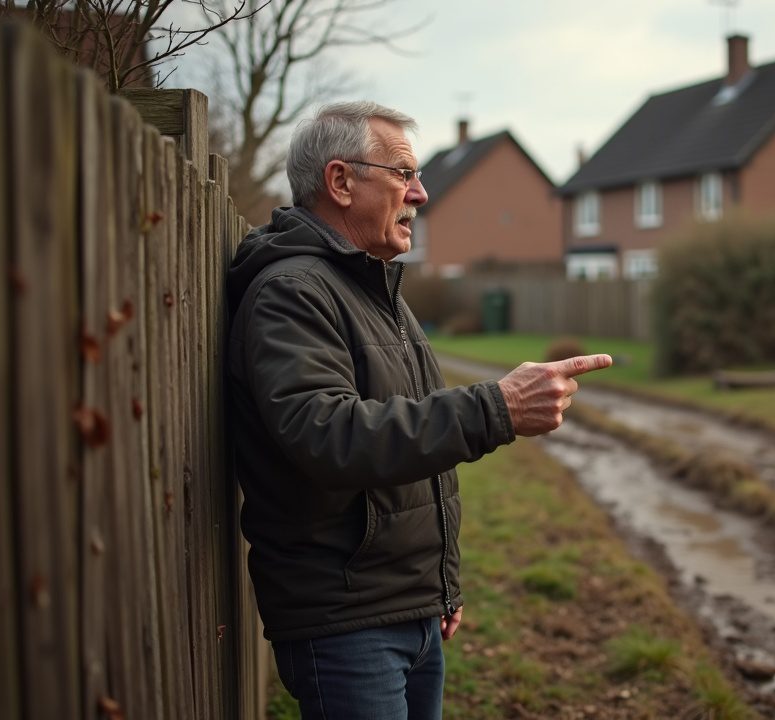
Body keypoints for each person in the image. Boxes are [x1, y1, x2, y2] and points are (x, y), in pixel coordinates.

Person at [225, 101, 611, 720]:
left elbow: (419, 457)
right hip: (345, 623)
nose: (421, 193)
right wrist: (499, 407)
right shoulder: (292, 292)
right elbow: (328, 436)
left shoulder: (377, 292)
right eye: (404, 174)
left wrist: (440, 582)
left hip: (409, 609)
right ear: (341, 182)